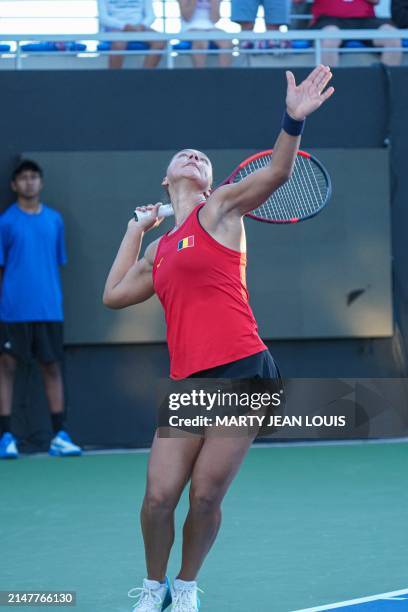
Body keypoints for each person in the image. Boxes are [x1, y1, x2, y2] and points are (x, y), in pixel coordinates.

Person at [103, 65, 334, 611]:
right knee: (158, 498)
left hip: (244, 370)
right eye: (183, 156)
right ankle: (152, 586)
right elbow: (113, 294)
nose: (193, 156)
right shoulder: (159, 252)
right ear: (167, 179)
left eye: (202, 158)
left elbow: (277, 173)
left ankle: (185, 587)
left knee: (205, 495)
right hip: (189, 381)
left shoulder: (222, 206)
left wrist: (292, 120)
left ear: (210, 181)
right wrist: (137, 231)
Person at [0, 160, 81, 460]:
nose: (29, 182)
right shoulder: (6, 222)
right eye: (23, 178)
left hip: (49, 310)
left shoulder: (54, 221)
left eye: (34, 177)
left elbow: (56, 261)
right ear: (14, 185)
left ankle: (60, 435)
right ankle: (6, 436)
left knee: (51, 367)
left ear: (41, 183)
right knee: (7, 368)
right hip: (13, 312)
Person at [310, 0, 402, 66]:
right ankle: (329, 90)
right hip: (329, 20)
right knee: (329, 38)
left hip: (365, 19)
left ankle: (387, 89)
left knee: (392, 37)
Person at [97, 0, 164, 69]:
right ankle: (114, 78)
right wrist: (123, 26)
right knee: (119, 44)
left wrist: (142, 26)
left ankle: (145, 77)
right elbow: (103, 18)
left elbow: (151, 15)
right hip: (115, 28)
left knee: (159, 42)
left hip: (140, 28)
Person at [178, 0, 232, 68]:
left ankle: (224, 75)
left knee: (227, 42)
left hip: (210, 27)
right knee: (201, 41)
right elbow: (187, 17)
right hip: (189, 28)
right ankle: (200, 75)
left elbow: (215, 19)